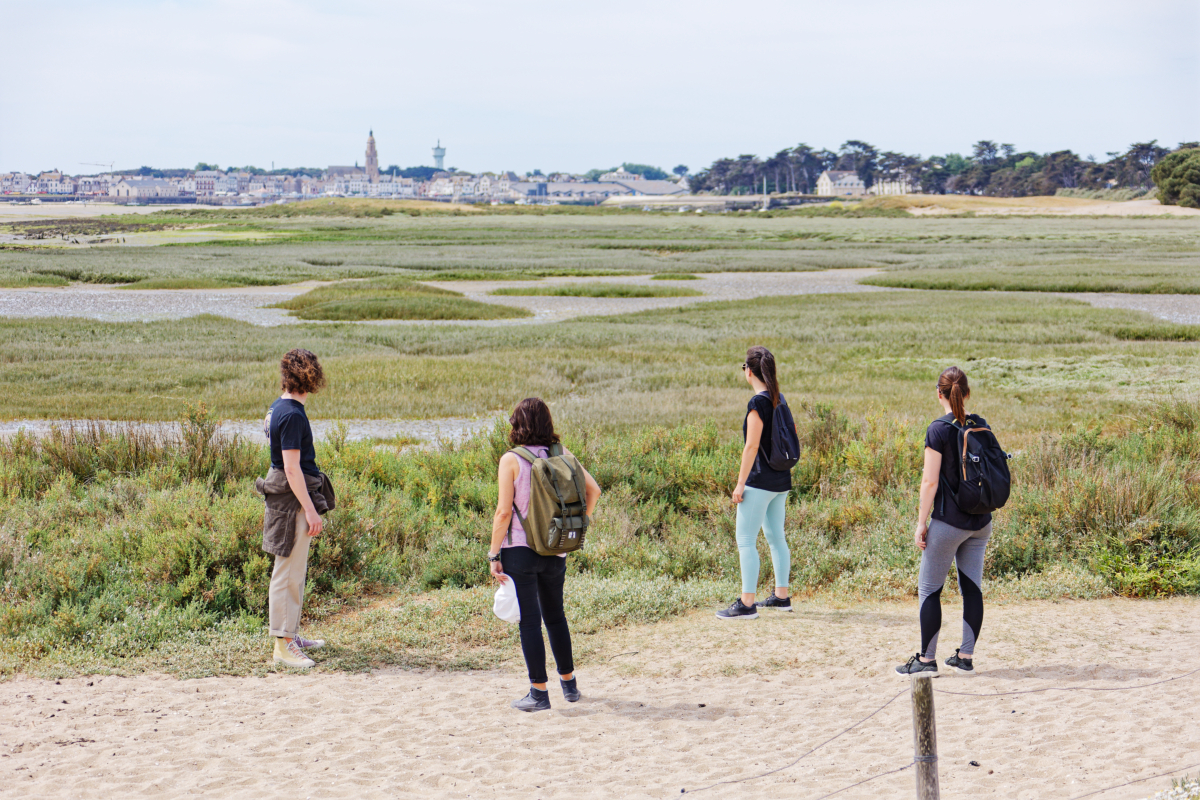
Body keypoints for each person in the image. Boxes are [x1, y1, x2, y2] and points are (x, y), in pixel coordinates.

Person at [488, 398, 602, 712]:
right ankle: (570, 685)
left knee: (529, 622)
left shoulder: (510, 460)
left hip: (521, 552)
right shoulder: (563, 454)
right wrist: (579, 524)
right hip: (556, 548)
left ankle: (539, 693)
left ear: (516, 425)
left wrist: (493, 553)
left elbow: (502, 513)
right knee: (556, 617)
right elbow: (594, 491)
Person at [896, 366, 992, 677]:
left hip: (948, 523)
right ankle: (965, 657)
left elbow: (929, 482)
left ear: (939, 394)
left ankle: (926, 661)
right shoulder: (981, 424)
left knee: (930, 589)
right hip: (981, 522)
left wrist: (921, 522)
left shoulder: (937, 429)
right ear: (967, 393)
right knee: (972, 588)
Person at [256, 348, 336, 669]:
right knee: (287, 572)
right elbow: (291, 469)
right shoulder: (291, 414)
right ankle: (283, 645)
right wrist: (311, 510)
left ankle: (290, 634)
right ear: (310, 375)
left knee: (294, 571)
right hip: (292, 501)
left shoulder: (279, 408)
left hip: (290, 498)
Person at [717, 345, 794, 620]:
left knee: (746, 539)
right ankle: (781, 597)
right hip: (781, 481)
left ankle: (747, 603)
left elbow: (751, 448)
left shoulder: (757, 404)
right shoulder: (779, 398)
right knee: (776, 538)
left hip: (759, 482)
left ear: (749, 371)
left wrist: (740, 484)